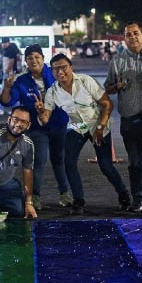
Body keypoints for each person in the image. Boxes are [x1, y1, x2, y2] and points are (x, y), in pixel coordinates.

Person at [36, 54, 129, 214]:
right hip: (77, 127)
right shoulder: (52, 92)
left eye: (64, 67)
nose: (60, 71)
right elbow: (45, 119)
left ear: (71, 67)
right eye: (56, 69)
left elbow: (107, 104)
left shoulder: (86, 81)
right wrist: (40, 111)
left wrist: (100, 128)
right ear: (52, 72)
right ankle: (78, 200)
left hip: (98, 124)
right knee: (68, 162)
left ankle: (123, 195)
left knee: (106, 165)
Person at [0, 44, 71, 210]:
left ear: (43, 59)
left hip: (59, 124)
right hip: (37, 129)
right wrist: (8, 87)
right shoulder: (22, 80)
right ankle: (35, 197)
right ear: (25, 61)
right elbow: (7, 102)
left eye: (37, 57)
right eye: (30, 58)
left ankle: (65, 194)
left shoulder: (54, 73)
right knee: (39, 161)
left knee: (59, 161)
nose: (34, 61)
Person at [104, 22, 142, 214]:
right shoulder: (117, 62)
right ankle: (138, 199)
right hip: (130, 119)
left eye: (136, 33)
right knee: (134, 163)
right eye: (128, 34)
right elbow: (107, 87)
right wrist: (117, 86)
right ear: (124, 38)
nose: (133, 37)